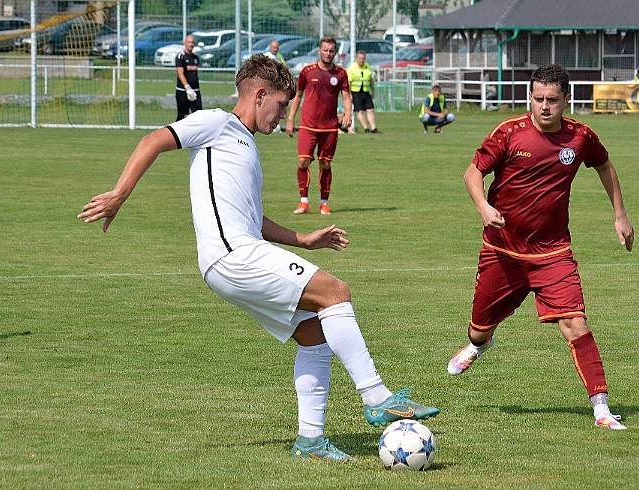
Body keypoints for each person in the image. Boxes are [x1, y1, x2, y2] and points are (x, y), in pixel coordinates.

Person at [78, 54, 438, 461]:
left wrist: (302, 239)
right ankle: (377, 397)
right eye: (282, 106)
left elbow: (252, 218)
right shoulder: (216, 122)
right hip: (233, 255)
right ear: (260, 94)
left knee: (314, 334)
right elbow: (153, 140)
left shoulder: (245, 143)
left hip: (235, 254)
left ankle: (310, 441)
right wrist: (119, 194)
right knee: (335, 292)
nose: (284, 115)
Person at [447, 64, 634, 431]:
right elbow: (473, 172)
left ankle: (601, 410)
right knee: (478, 329)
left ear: (567, 99)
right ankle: (480, 346)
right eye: (537, 99)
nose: (543, 106)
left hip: (553, 253)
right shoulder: (509, 133)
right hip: (502, 251)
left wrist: (620, 216)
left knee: (575, 323)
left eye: (551, 100)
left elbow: (604, 166)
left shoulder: (580, 137)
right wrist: (484, 206)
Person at [286, 37, 352, 215]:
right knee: (303, 160)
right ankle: (304, 201)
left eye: (331, 51)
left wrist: (348, 113)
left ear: (335, 53)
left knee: (325, 164)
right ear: (319, 51)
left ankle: (324, 203)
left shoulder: (341, 73)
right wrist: (291, 119)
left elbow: (346, 97)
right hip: (308, 124)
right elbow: (298, 95)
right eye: (325, 50)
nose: (328, 54)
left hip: (329, 126)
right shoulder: (307, 71)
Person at [347, 50, 380, 133]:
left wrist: (373, 91)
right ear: (356, 58)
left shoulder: (367, 66)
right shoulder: (352, 67)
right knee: (360, 110)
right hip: (356, 92)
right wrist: (349, 94)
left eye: (363, 58)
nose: (362, 60)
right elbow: (348, 82)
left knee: (370, 110)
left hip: (365, 91)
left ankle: (373, 128)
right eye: (360, 58)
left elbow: (370, 79)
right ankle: (366, 128)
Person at [175, 34, 202, 121]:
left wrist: (193, 90)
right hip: (183, 90)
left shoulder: (195, 58)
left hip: (195, 91)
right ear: (185, 43)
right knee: (182, 116)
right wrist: (187, 88)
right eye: (189, 42)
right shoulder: (181, 56)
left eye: (192, 42)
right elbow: (180, 74)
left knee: (198, 115)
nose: (191, 44)